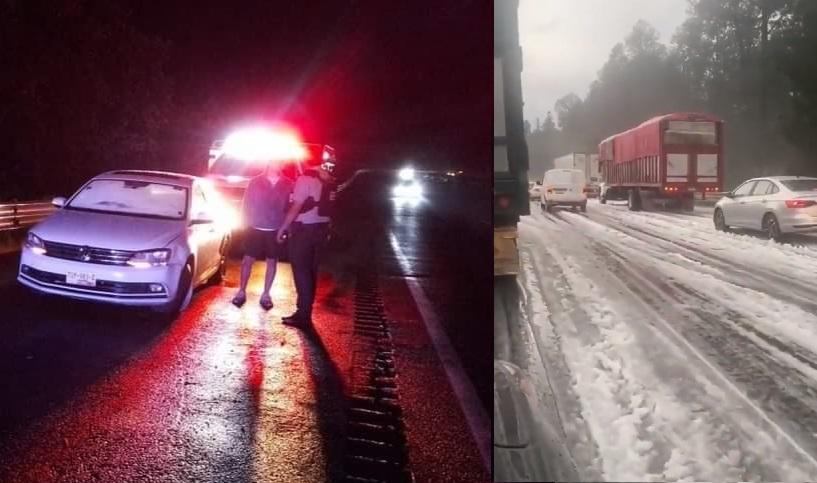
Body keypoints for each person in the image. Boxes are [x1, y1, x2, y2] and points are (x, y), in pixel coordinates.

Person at [276, 158, 336, 326]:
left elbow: (296, 206)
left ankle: (302, 315)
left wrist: (284, 227)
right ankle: (305, 312)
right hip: (322, 230)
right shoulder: (327, 178)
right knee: (311, 272)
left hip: (304, 231)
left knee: (301, 272)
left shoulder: (305, 178)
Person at [232, 162, 293, 309]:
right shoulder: (255, 181)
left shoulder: (288, 183)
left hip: (275, 229)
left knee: (272, 262)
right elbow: (246, 204)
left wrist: (286, 228)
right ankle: (241, 291)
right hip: (254, 227)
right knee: (247, 260)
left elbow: (289, 207)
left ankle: (266, 294)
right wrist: (244, 224)